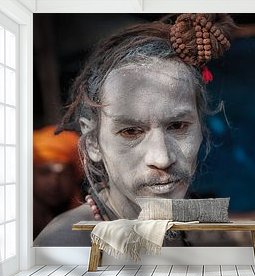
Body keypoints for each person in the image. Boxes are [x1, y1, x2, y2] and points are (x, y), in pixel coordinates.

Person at [34, 13, 236, 246]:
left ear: (201, 127)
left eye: (178, 126)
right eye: (131, 131)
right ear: (92, 143)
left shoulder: (209, 235)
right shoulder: (62, 248)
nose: (162, 159)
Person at [33, 125, 83, 239]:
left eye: (64, 173)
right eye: (44, 172)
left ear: (75, 176)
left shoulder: (92, 218)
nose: (54, 182)